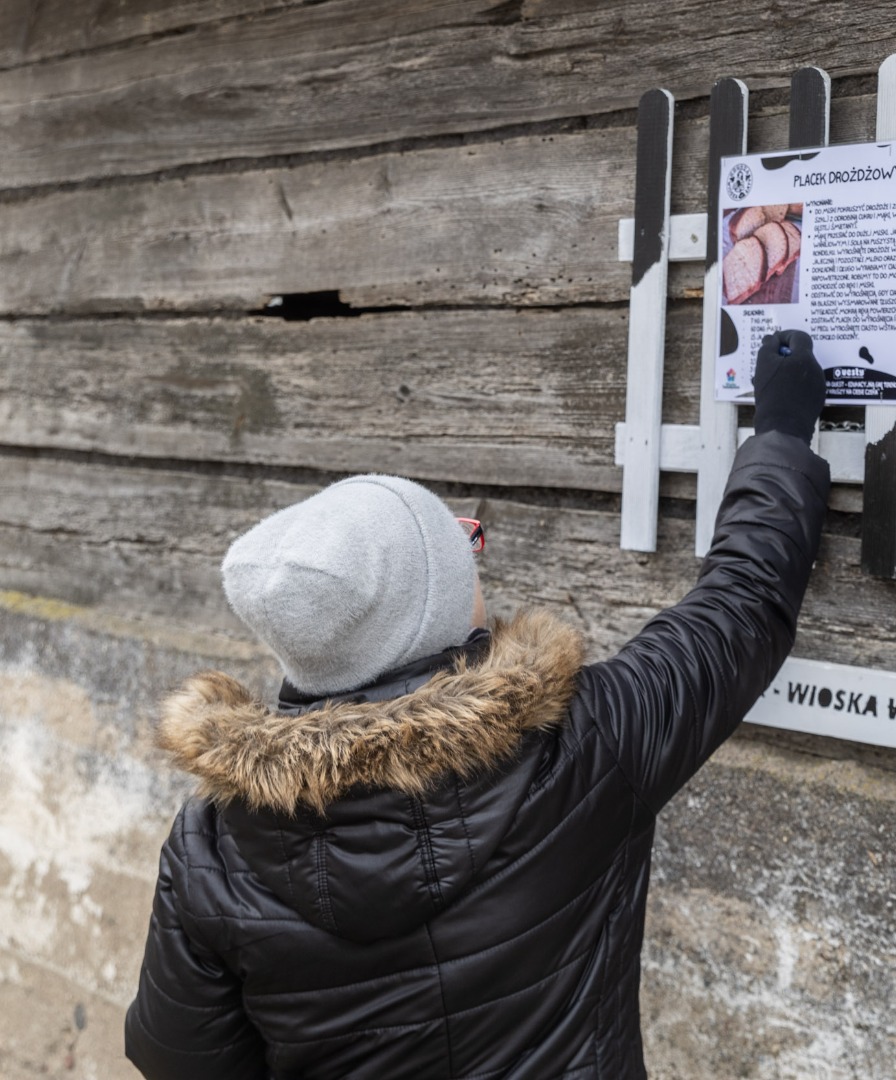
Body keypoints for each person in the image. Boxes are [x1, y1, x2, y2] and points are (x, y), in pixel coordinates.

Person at [124, 330, 829, 1079]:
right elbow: (741, 605)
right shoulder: (585, 744)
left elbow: (178, 1057)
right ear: (433, 611)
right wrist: (782, 431)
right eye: (465, 549)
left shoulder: (213, 844)